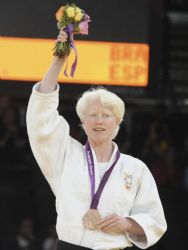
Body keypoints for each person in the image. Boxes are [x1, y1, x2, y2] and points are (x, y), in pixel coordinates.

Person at [26, 30, 167, 250]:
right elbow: (40, 121)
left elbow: (155, 220)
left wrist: (127, 223)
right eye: (92, 115)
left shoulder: (135, 168)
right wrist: (57, 62)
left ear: (117, 123)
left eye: (106, 115)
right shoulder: (64, 155)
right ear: (83, 122)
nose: (99, 121)